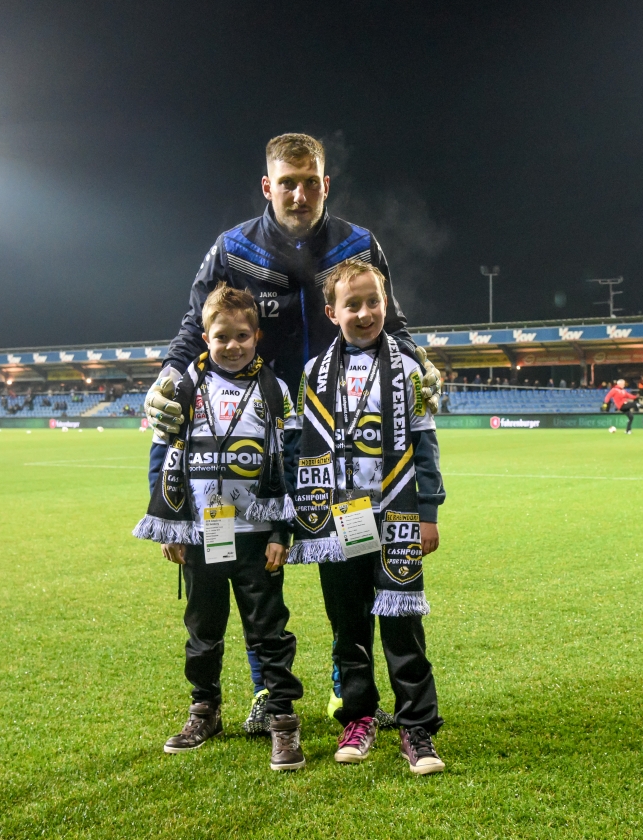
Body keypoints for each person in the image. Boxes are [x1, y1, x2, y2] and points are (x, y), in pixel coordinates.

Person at [144, 131, 440, 728]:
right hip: (263, 431)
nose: (299, 194)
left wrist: (423, 363)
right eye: (287, 183)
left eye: (310, 183)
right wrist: (169, 375)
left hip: (343, 433)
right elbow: (192, 323)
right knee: (259, 568)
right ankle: (266, 694)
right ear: (267, 186)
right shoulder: (230, 248)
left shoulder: (360, 245)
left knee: (347, 560)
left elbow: (394, 321)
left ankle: (346, 684)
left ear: (325, 184)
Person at [133, 283, 306, 771]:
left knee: (268, 632)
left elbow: (289, 465)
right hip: (202, 535)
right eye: (221, 336)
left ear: (258, 336)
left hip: (256, 537)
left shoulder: (274, 391)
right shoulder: (184, 386)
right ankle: (204, 709)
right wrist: (169, 525)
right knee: (202, 630)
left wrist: (280, 533)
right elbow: (162, 454)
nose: (232, 345)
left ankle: (282, 721)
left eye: (242, 336)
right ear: (205, 335)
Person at [287, 258, 446, 775]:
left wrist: (429, 512)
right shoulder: (314, 373)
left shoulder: (410, 368)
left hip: (395, 514)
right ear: (332, 312)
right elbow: (299, 450)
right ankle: (358, 717)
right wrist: (301, 517)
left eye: (372, 301)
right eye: (351, 304)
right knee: (348, 626)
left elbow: (425, 446)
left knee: (403, 622)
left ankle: (416, 727)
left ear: (386, 304)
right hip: (338, 522)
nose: (363, 312)